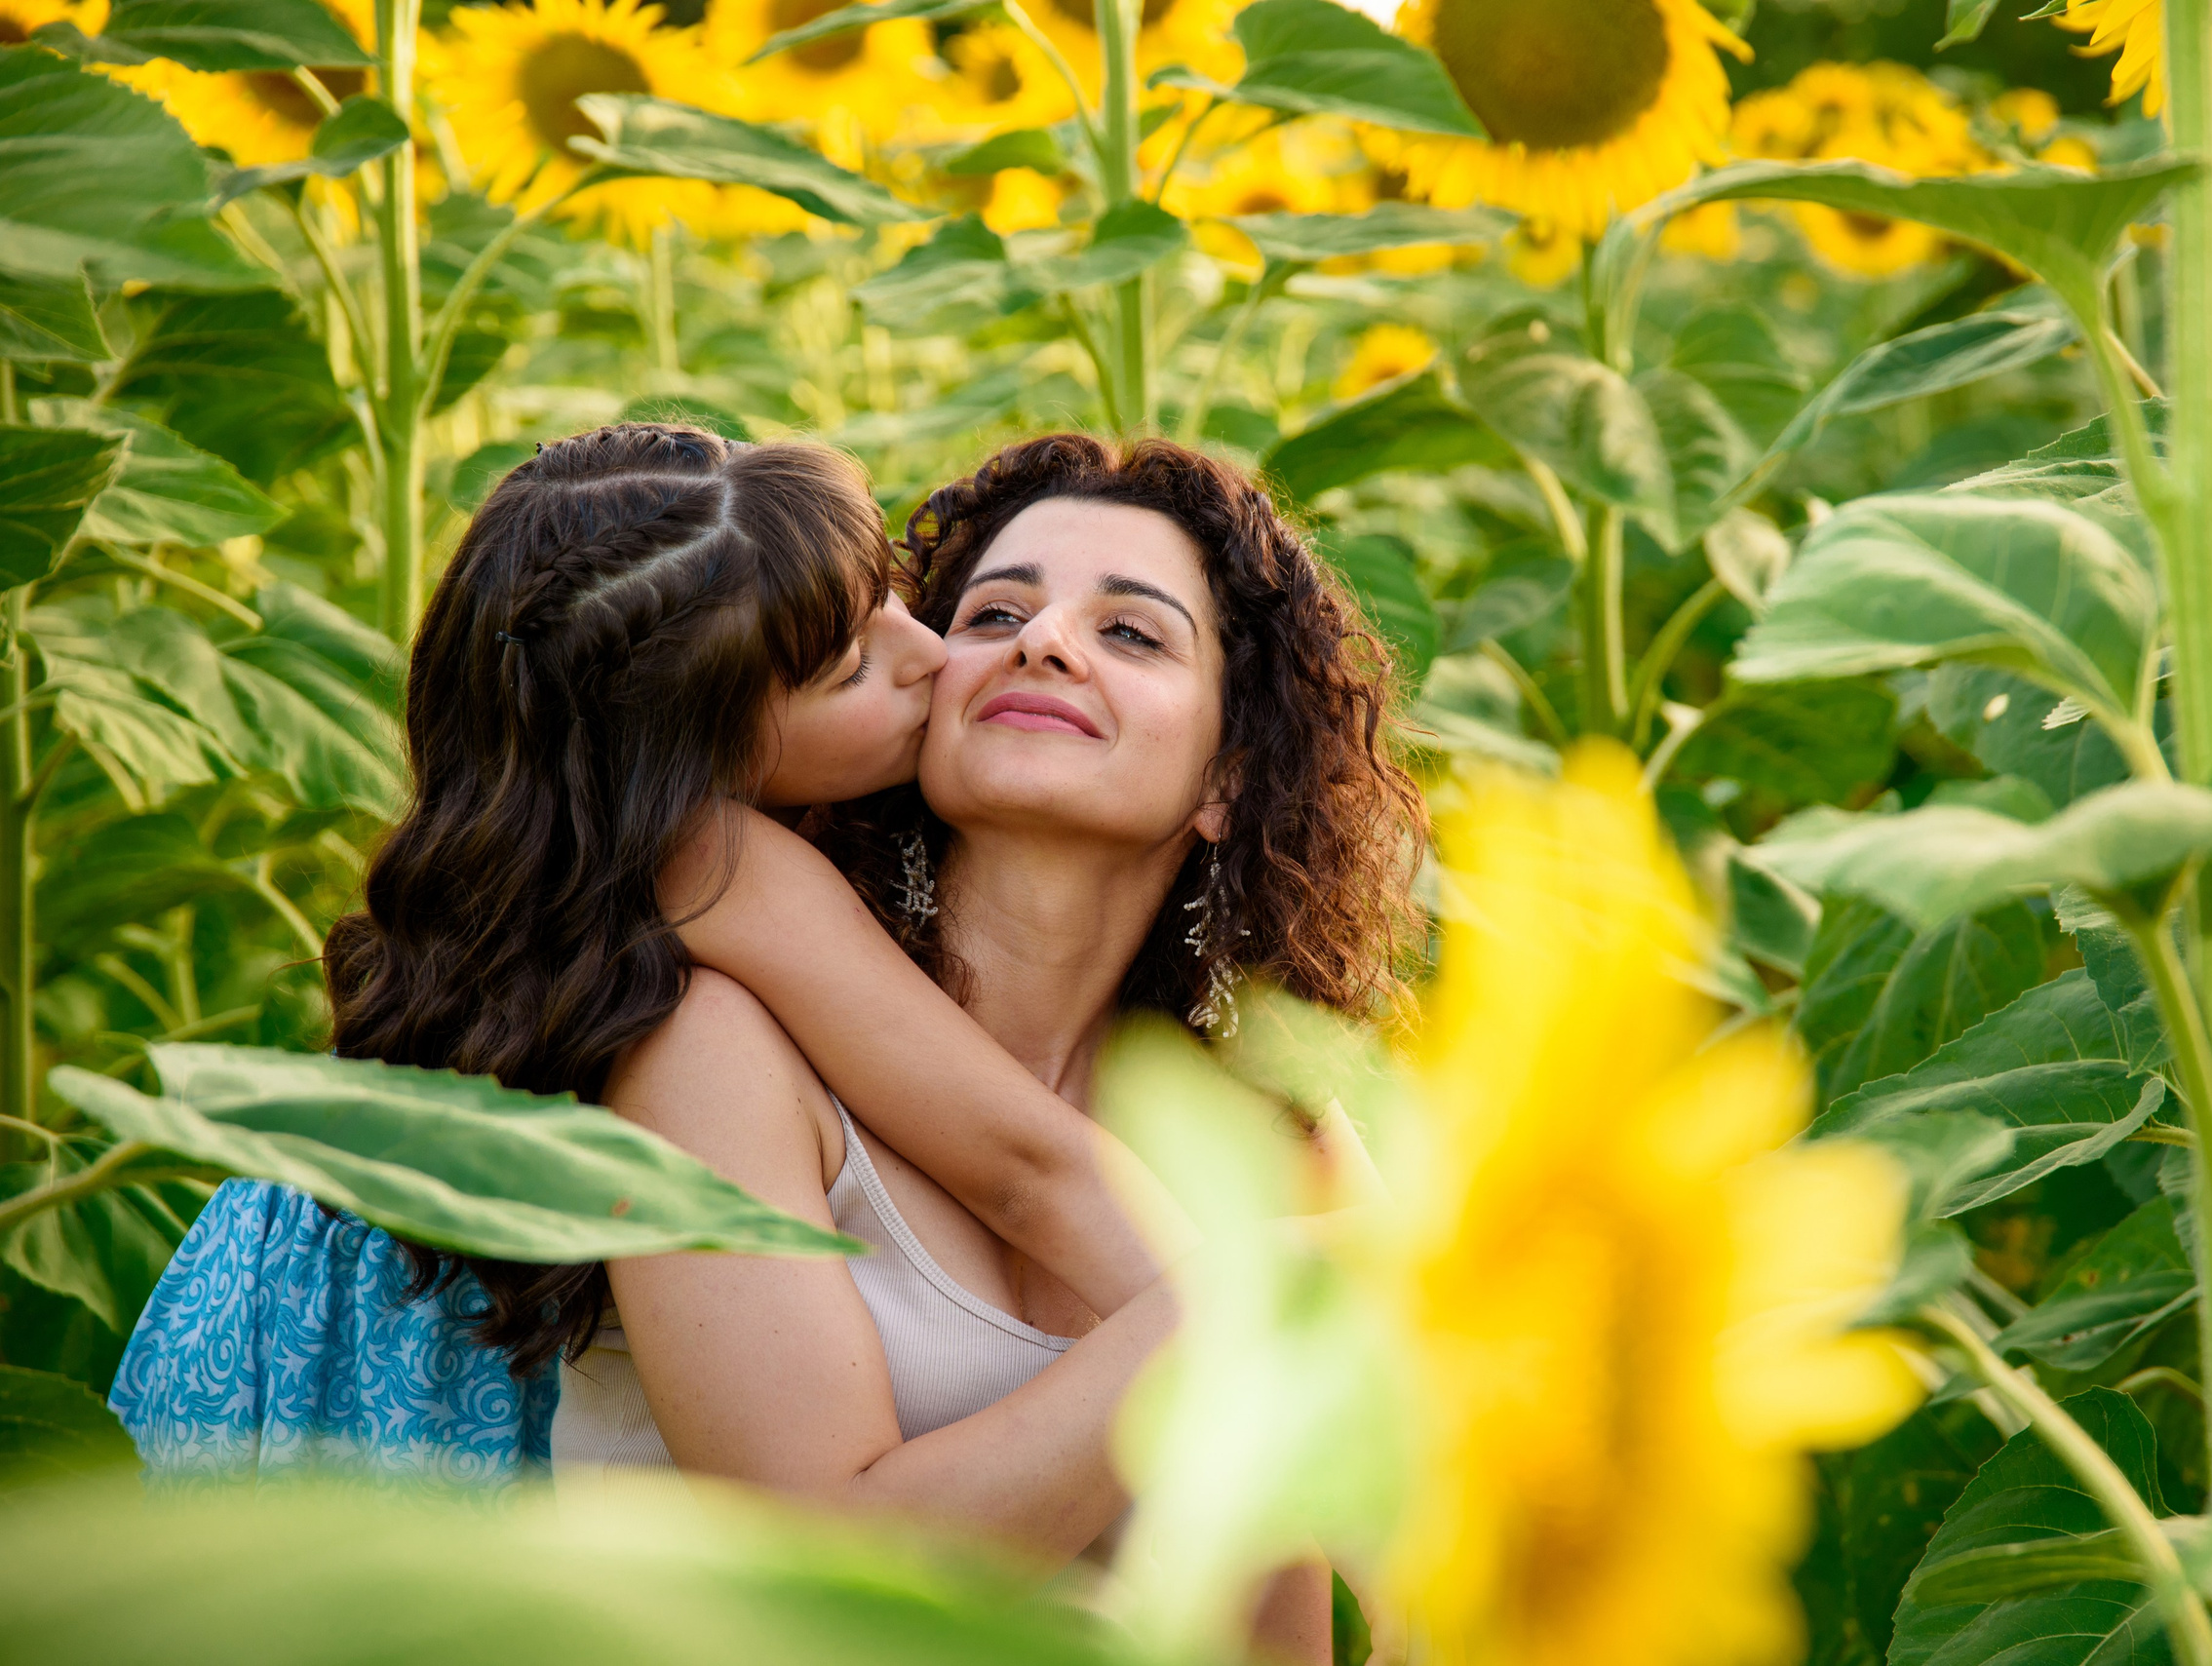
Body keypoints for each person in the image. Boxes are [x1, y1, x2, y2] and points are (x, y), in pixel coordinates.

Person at [110, 423, 1174, 1495]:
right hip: (394, 1385)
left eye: (890, 594)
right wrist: (1265, 1320)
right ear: (697, 753)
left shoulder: (574, 853)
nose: (930, 650)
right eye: (852, 666)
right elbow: (1016, 1158)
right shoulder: (711, 859)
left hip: (305, 1307)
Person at [568, 434, 1427, 1659]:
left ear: (1228, 778)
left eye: (1129, 633)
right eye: (992, 612)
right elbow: (807, 1586)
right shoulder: (720, 1035)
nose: (1044, 641)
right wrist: (1228, 1312)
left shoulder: (1262, 1136)